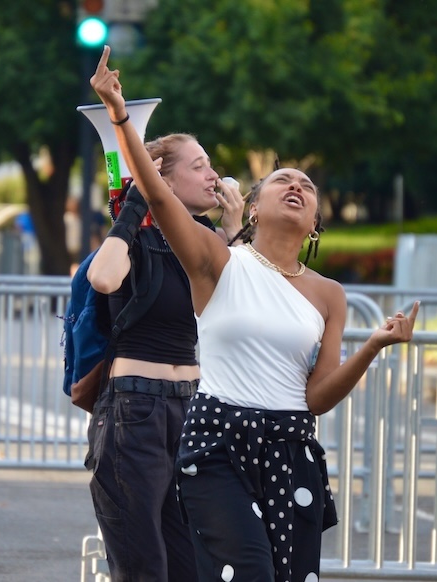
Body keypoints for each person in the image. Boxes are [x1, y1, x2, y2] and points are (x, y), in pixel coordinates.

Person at [91, 45, 420, 582]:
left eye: (307, 187)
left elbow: (317, 397)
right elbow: (153, 190)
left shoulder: (329, 295)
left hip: (291, 446)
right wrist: (118, 114)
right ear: (256, 203)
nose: (297, 186)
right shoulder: (217, 260)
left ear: (314, 222)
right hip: (218, 440)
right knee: (248, 574)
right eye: (283, 181)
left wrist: (374, 347)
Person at [83, 124, 245, 580]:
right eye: (200, 166)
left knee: (191, 563)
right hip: (135, 411)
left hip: (191, 409)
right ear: (165, 181)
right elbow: (104, 279)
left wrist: (234, 230)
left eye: (212, 164)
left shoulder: (206, 244)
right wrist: (137, 204)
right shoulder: (136, 234)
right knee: (143, 565)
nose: (214, 175)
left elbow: (237, 311)